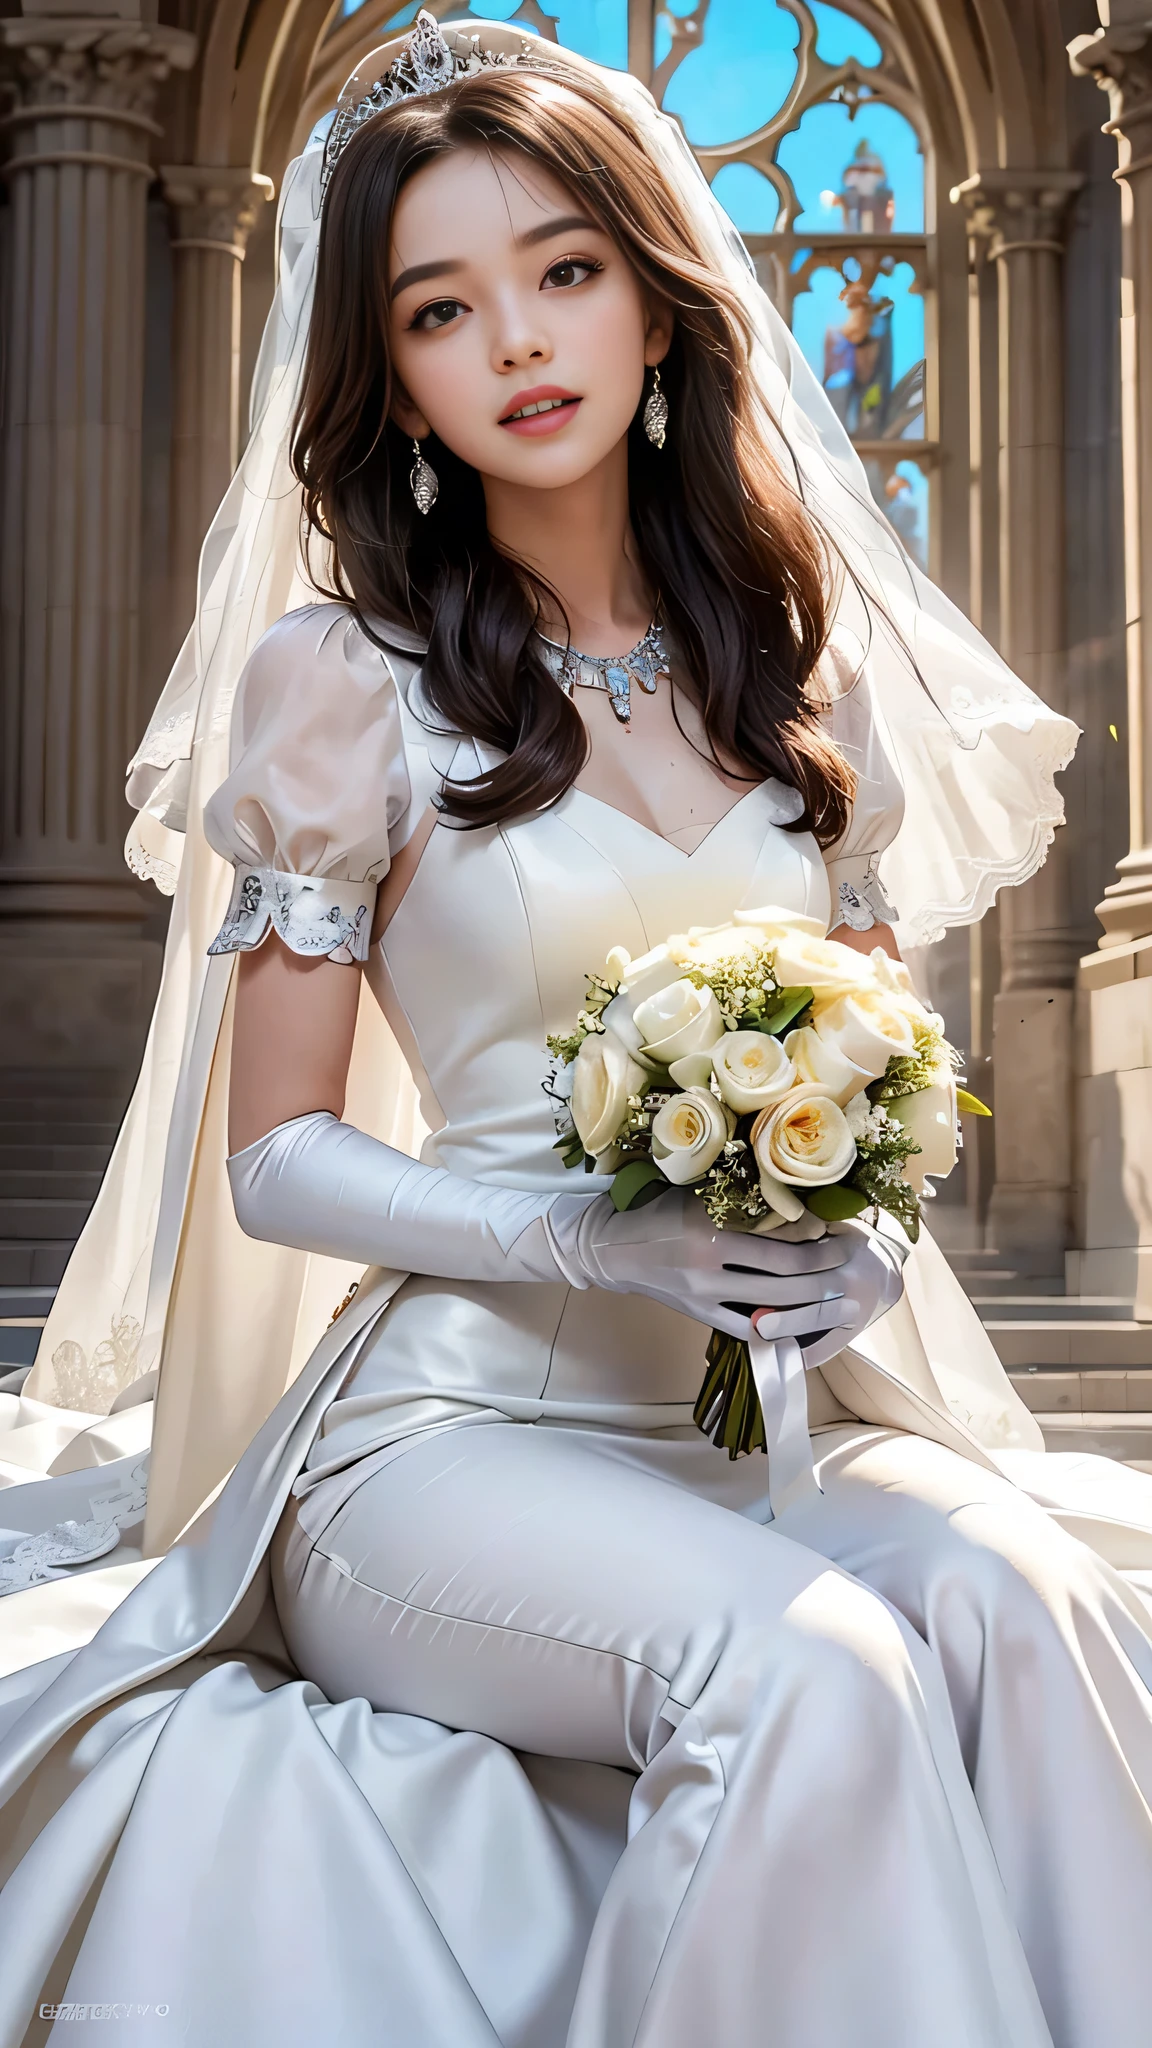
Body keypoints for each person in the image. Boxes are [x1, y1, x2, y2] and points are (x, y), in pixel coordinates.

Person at [1, 18, 1151, 2046]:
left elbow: (879, 1067)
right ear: (397, 379)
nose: (517, 338)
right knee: (811, 1669)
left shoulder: (800, 675)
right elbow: (274, 1160)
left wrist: (857, 1227)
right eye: (440, 307)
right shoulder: (338, 681)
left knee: (1035, 1601)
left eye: (562, 269)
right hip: (444, 1437)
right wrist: (583, 1238)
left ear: (652, 295)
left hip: (746, 1423)